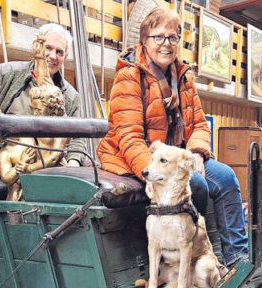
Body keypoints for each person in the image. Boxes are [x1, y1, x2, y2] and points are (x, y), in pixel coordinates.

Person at [97, 8, 248, 268]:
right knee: (197, 185)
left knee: (224, 177)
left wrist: (198, 153)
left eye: (173, 37)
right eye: (158, 37)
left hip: (178, 157)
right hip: (139, 158)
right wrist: (156, 171)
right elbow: (129, 138)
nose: (166, 44)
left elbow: (199, 124)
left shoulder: (183, 76)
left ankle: (237, 260)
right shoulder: (129, 76)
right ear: (144, 40)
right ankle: (188, 261)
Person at [0, 23, 85, 168]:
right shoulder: (5, 73)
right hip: (5, 153)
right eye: (48, 48)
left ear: (65, 57)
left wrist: (73, 163)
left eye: (59, 52)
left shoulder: (70, 96)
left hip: (48, 158)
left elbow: (78, 136)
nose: (53, 56)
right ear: (37, 47)